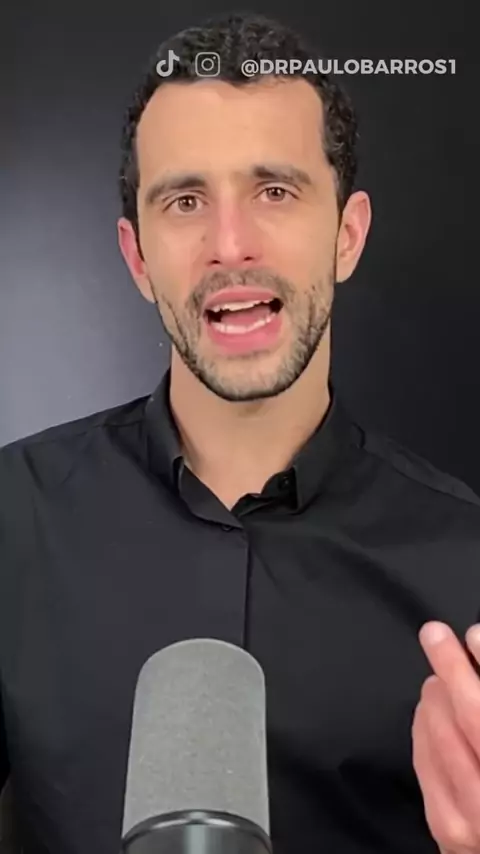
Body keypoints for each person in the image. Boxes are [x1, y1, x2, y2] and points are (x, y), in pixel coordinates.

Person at [0, 11, 478, 854]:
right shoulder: (11, 518)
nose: (230, 245)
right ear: (138, 259)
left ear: (348, 235)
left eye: (275, 191)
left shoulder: (468, 563)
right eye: (185, 201)